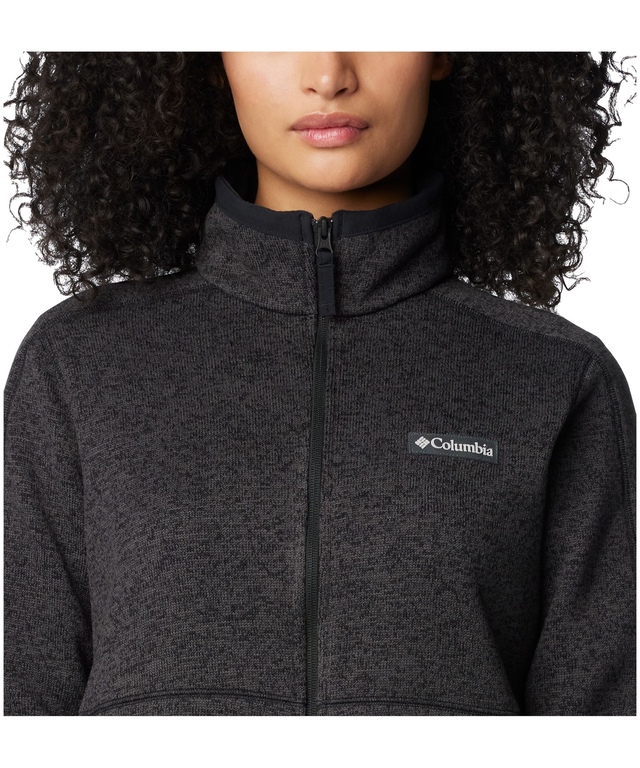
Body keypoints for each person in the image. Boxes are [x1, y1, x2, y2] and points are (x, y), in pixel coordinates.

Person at [3, 52, 636, 716]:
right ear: (209, 58)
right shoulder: (78, 362)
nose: (329, 74)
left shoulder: (554, 377)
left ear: (445, 50)